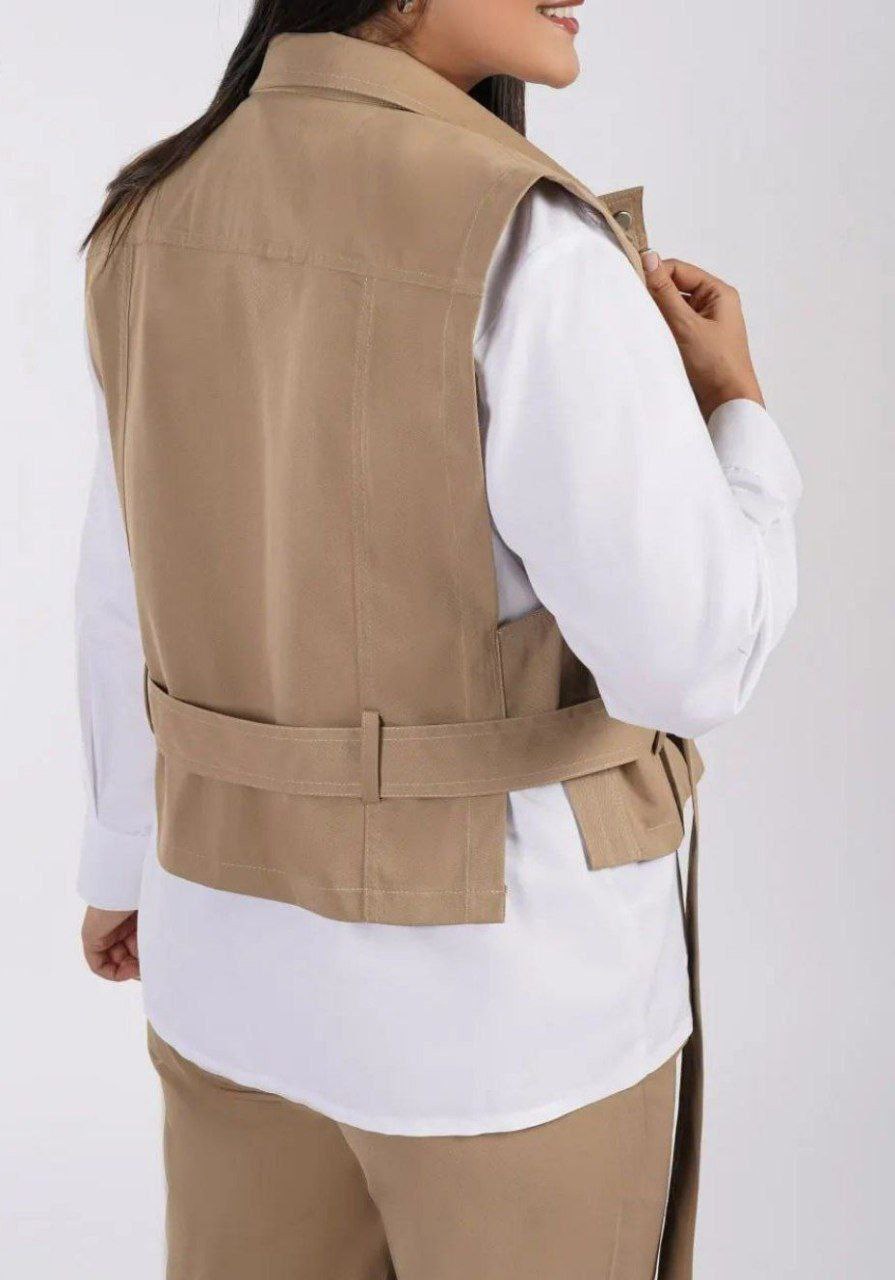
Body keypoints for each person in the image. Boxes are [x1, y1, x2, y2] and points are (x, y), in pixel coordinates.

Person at [76, 3, 801, 1278]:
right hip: (509, 1011)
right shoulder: (523, 237)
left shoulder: (154, 210)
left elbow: (126, 583)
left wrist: (124, 858)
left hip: (226, 961)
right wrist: (738, 412)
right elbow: (689, 659)